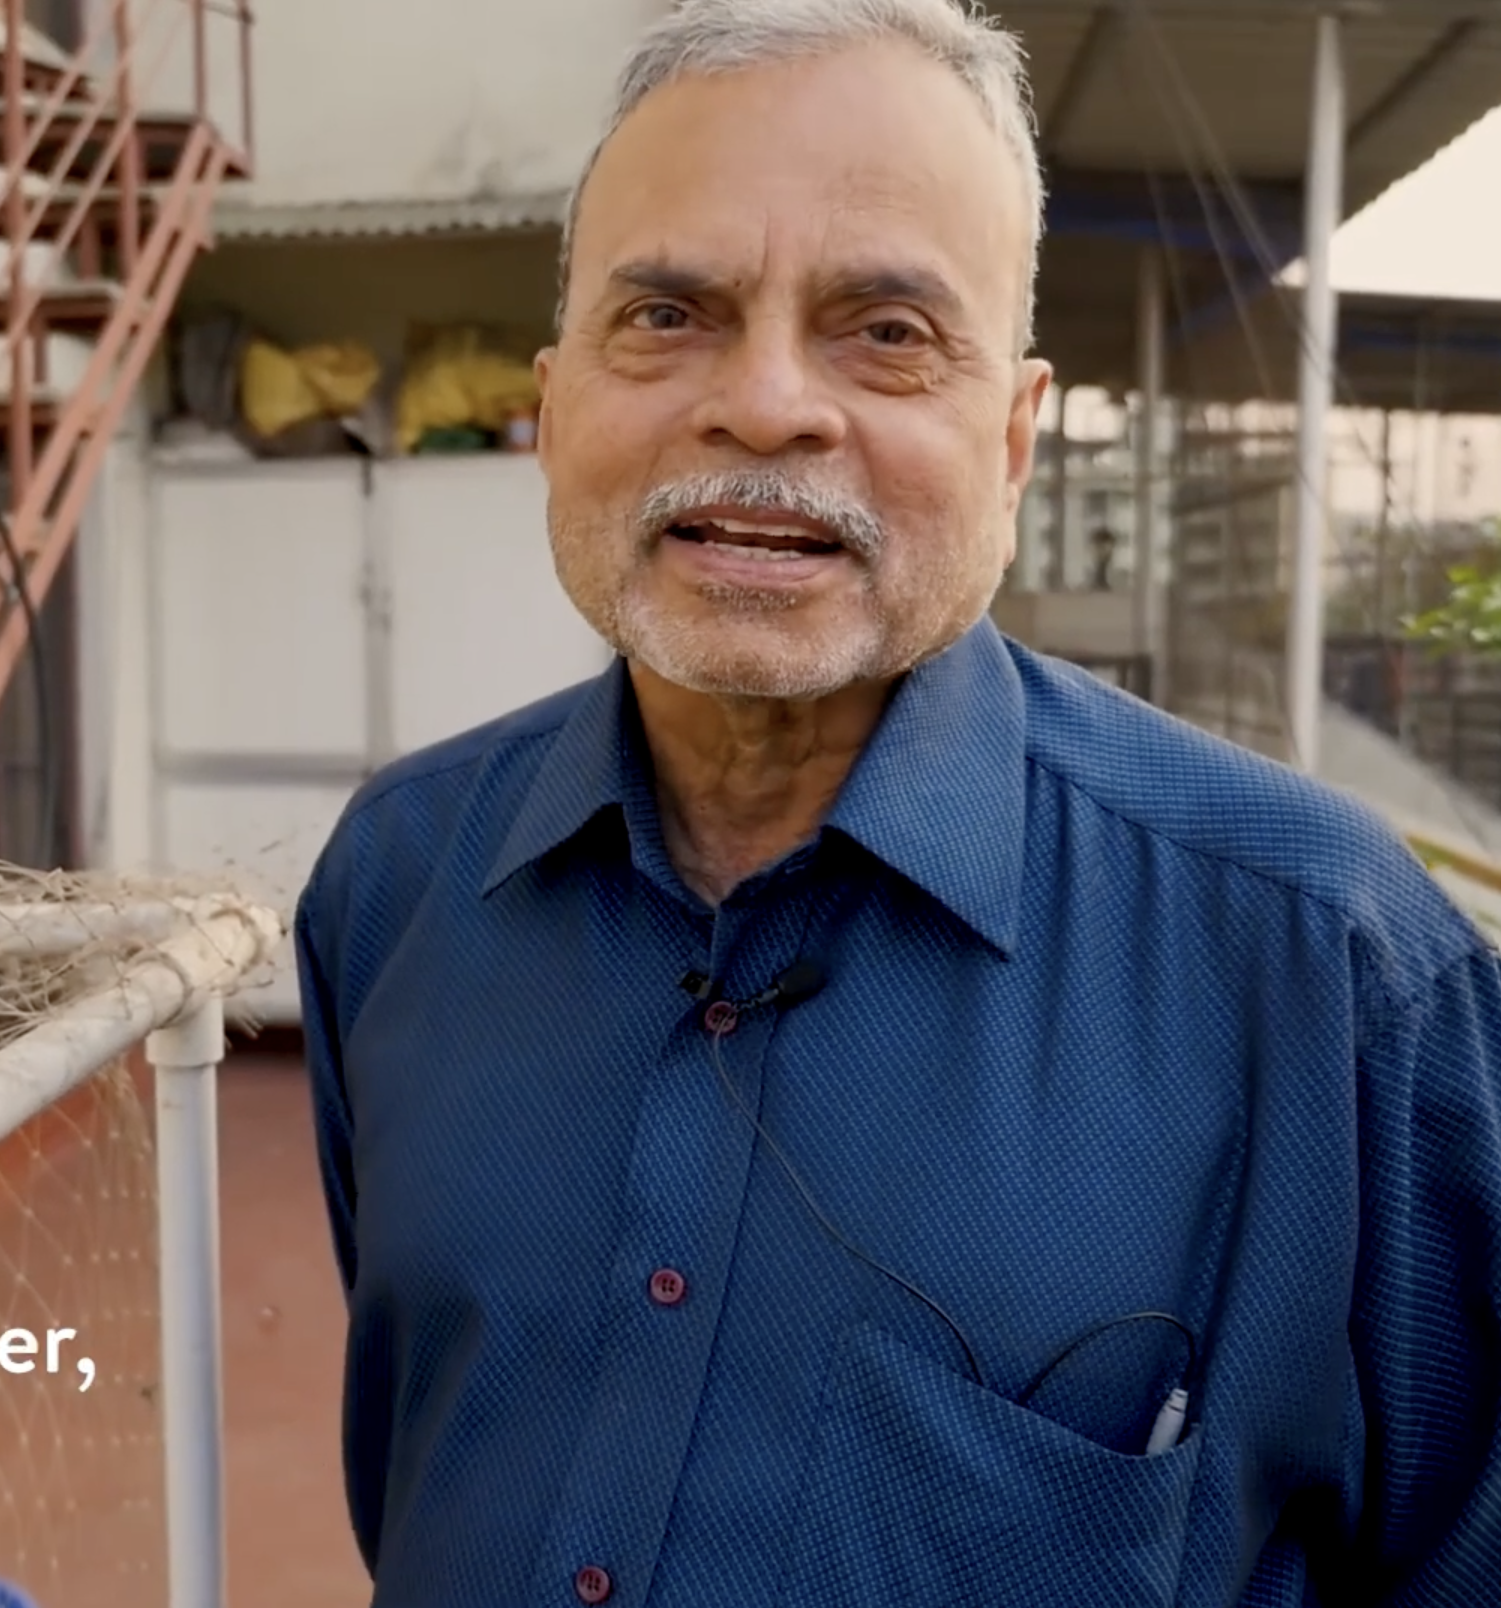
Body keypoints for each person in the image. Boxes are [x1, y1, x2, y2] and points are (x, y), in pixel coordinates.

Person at [289, 2, 1501, 1604]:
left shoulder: (1325, 966)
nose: (766, 404)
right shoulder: (397, 886)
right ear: (555, 406)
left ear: (1015, 439)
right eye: (667, 314)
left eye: (886, 331)